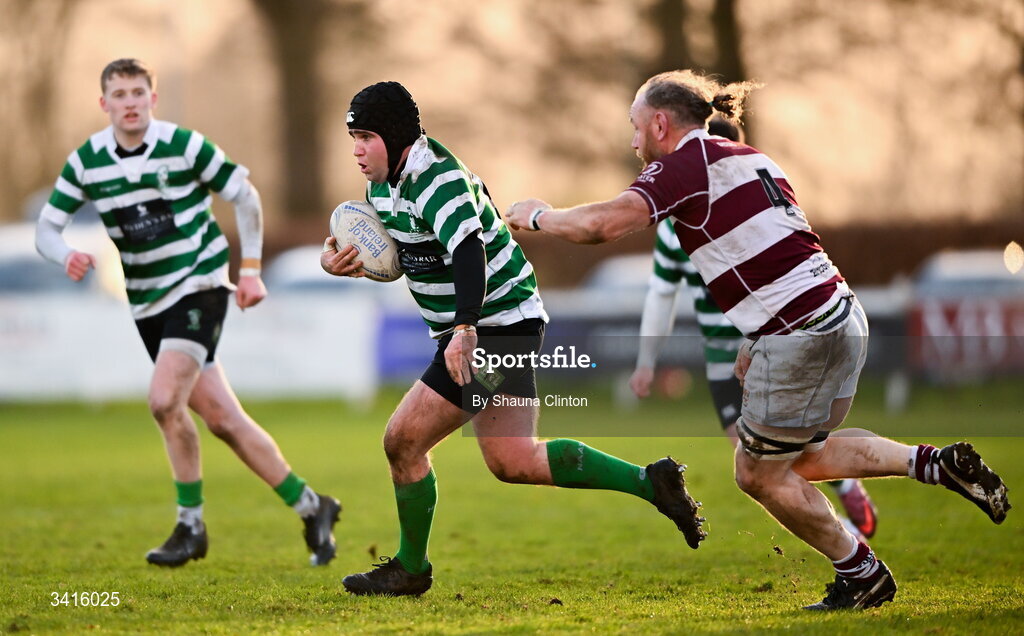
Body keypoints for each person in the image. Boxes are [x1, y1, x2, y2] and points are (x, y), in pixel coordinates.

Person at [506, 70, 1011, 610]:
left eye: (634, 126)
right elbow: (781, 246)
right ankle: (934, 463)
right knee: (803, 456)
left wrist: (539, 215)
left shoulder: (683, 167)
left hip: (800, 334)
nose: (632, 141)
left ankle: (862, 573)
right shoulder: (752, 159)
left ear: (659, 122)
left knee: (757, 474)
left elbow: (601, 225)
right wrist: (755, 337)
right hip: (842, 316)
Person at [321, 81, 706, 597]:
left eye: (365, 136)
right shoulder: (382, 190)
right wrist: (342, 262)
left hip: (496, 329)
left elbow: (466, 253)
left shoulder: (440, 179)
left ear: (394, 136)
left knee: (402, 440)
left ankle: (411, 568)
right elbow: (400, 256)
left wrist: (464, 329)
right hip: (497, 326)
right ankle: (651, 482)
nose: (357, 150)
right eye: (353, 137)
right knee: (514, 460)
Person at [35, 58, 341, 568]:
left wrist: (249, 270)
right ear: (103, 102)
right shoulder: (88, 160)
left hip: (199, 286)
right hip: (147, 302)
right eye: (120, 94)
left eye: (138, 93)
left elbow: (245, 195)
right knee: (223, 419)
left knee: (162, 400)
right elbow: (47, 226)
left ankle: (190, 525)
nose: (130, 102)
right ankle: (314, 506)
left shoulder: (184, 145)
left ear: (152, 99)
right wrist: (64, 253)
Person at [629, 118, 879, 541]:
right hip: (726, 358)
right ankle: (848, 506)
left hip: (776, 345)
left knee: (769, 464)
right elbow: (660, 293)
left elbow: (661, 295)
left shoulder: (747, 212)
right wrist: (646, 360)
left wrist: (646, 362)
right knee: (763, 462)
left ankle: (848, 532)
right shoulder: (678, 227)